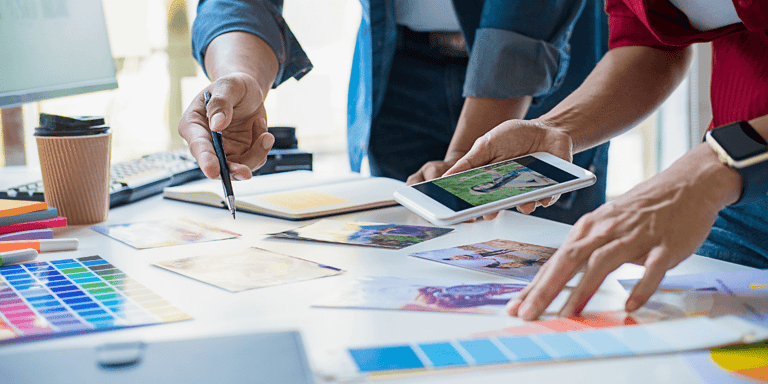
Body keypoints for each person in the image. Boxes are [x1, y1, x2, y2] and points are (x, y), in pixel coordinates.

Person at [443, 0, 768, 320]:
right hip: (741, 206)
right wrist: (556, 128)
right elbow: (649, 43)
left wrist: (709, 169)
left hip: (726, 179)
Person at [178, 0, 612, 226]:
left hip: (544, 76)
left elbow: (528, 11)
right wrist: (239, 76)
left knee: (537, 284)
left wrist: (462, 157)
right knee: (406, 283)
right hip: (397, 65)